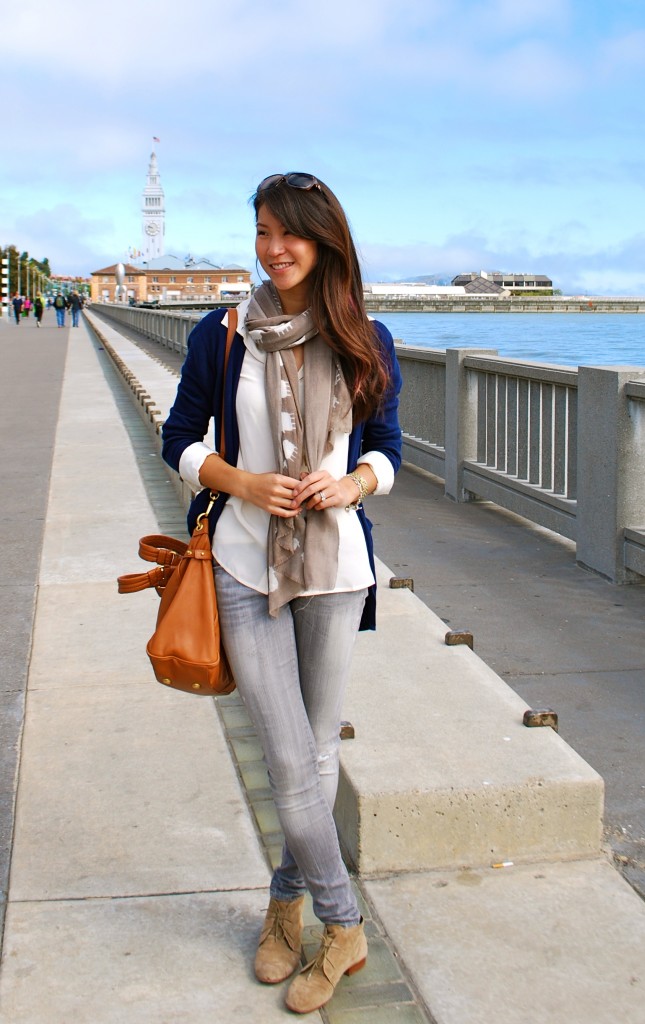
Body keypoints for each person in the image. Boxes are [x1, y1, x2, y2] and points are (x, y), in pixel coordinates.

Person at [162, 172, 402, 1015]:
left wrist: (355, 486)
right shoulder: (221, 334)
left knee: (316, 757)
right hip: (240, 562)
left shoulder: (364, 338)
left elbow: (387, 448)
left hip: (334, 571)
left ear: (324, 241)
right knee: (290, 758)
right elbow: (179, 439)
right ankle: (345, 926)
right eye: (262, 231)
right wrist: (242, 481)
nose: (273, 248)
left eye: (290, 233)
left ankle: (283, 905)